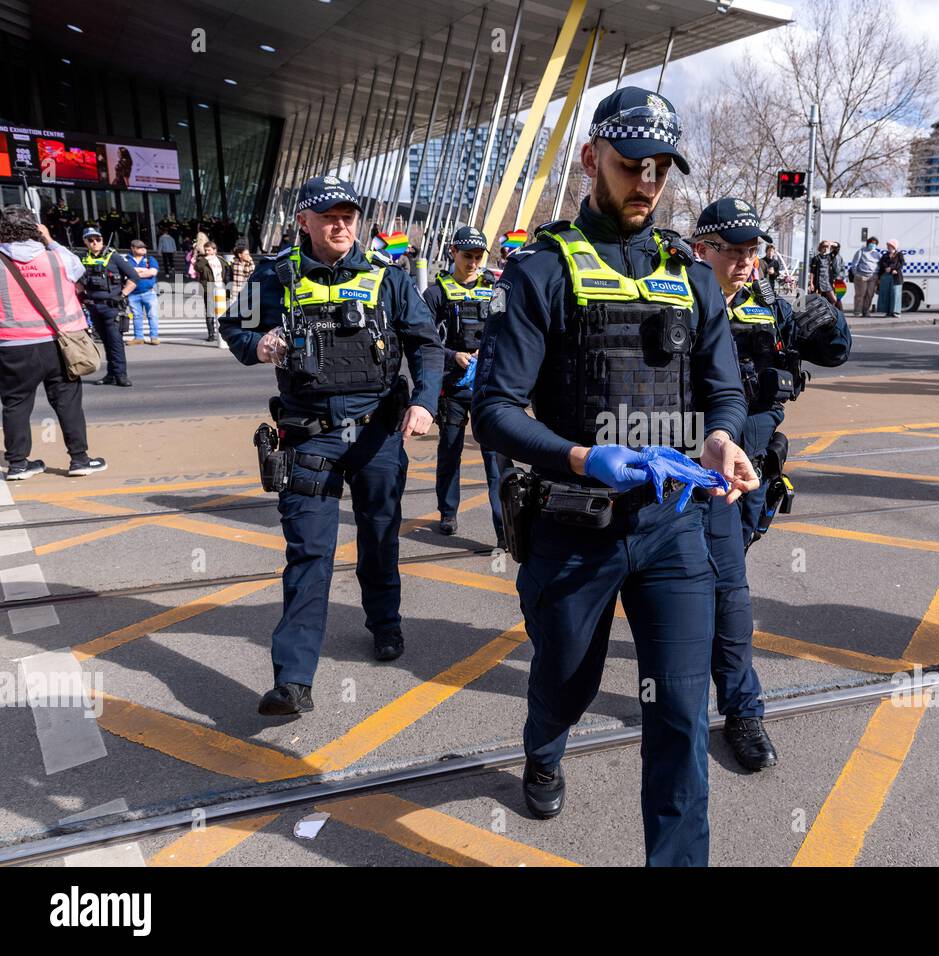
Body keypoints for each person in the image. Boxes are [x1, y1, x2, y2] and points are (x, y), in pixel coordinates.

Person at [471, 87, 757, 867]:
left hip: (671, 530)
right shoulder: (540, 270)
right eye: (633, 165)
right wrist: (582, 456)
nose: (649, 183)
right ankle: (545, 744)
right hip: (573, 525)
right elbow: (493, 409)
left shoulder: (691, 275)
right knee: (565, 680)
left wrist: (724, 439)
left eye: (663, 168)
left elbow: (723, 386)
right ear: (592, 158)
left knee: (680, 720)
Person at [218, 174, 444, 715]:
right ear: (304, 221)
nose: (341, 224)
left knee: (380, 535)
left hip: (377, 437)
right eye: (327, 216)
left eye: (348, 215)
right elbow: (233, 328)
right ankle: (293, 680)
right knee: (309, 555)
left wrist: (425, 402)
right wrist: (260, 344)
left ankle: (384, 622)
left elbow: (426, 343)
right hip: (308, 438)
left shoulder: (388, 280)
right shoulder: (277, 276)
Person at [691, 197, 851, 771]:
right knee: (724, 588)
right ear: (699, 249)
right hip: (692, 469)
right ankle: (736, 705)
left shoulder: (768, 304)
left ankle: (731, 694)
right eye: (731, 250)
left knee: (727, 580)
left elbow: (835, 352)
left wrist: (823, 309)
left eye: (751, 250)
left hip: (751, 471)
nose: (743, 261)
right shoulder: (673, 299)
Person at [0, 206, 106, 480]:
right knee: (68, 402)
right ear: (35, 229)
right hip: (60, 343)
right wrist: (49, 239)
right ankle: (80, 459)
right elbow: (78, 268)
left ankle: (17, 465)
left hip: (13, 345)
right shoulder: (57, 257)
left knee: (16, 404)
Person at [421, 225, 507, 547]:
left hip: (487, 388)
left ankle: (504, 526)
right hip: (454, 387)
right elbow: (424, 341)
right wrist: (452, 355)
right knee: (450, 451)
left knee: (495, 459)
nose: (472, 263)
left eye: (477, 257)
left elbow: (508, 332)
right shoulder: (436, 293)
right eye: (467, 256)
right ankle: (448, 512)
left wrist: (487, 355)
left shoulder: (495, 289)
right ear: (453, 253)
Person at [77, 227, 138, 387]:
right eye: (90, 240)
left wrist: (122, 295)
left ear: (102, 240)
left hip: (112, 307)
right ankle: (111, 374)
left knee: (115, 342)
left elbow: (134, 277)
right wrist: (81, 294)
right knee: (105, 342)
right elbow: (76, 279)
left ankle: (121, 375)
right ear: (85, 242)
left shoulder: (114, 257)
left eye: (97, 239)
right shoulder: (83, 258)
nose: (94, 243)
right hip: (94, 307)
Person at [195, 240, 231, 348]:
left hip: (221, 288)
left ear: (214, 250)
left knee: (224, 311)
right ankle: (211, 334)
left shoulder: (221, 260)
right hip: (209, 288)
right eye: (205, 250)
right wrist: (205, 259)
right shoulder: (202, 260)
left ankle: (224, 332)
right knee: (210, 312)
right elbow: (197, 268)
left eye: (209, 250)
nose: (207, 252)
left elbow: (228, 271)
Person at [125, 240, 160, 346]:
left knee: (153, 315)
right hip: (132, 293)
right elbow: (125, 272)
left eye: (144, 247)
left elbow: (153, 272)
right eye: (140, 247)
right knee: (136, 316)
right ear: (133, 248)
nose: (143, 249)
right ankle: (138, 337)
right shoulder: (126, 259)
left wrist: (134, 273)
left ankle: (154, 337)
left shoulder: (150, 259)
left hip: (149, 292)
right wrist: (143, 270)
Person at [848, 236, 881, 316]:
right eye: (871, 243)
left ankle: (866, 311)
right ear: (867, 243)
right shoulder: (861, 251)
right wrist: (856, 274)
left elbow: (879, 264)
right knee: (860, 294)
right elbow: (854, 264)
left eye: (874, 243)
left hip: (873, 277)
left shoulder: (877, 254)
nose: (872, 245)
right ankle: (857, 311)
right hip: (862, 276)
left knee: (870, 294)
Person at [877, 240, 905, 317]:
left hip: (896, 277)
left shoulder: (899, 254)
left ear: (894, 246)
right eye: (888, 245)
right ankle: (888, 311)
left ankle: (895, 312)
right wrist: (885, 268)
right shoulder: (885, 255)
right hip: (886, 277)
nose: (888, 247)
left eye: (889, 245)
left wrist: (892, 268)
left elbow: (901, 263)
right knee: (886, 294)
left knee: (895, 294)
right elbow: (881, 263)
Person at [810, 240, 836, 307]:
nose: (826, 248)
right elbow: (812, 272)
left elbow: (836, 248)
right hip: (819, 282)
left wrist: (831, 244)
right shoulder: (816, 258)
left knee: (833, 299)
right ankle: (819, 313)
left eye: (827, 246)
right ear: (820, 247)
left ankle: (830, 310)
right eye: (824, 246)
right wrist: (811, 283)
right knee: (818, 300)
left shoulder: (830, 257)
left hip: (827, 282)